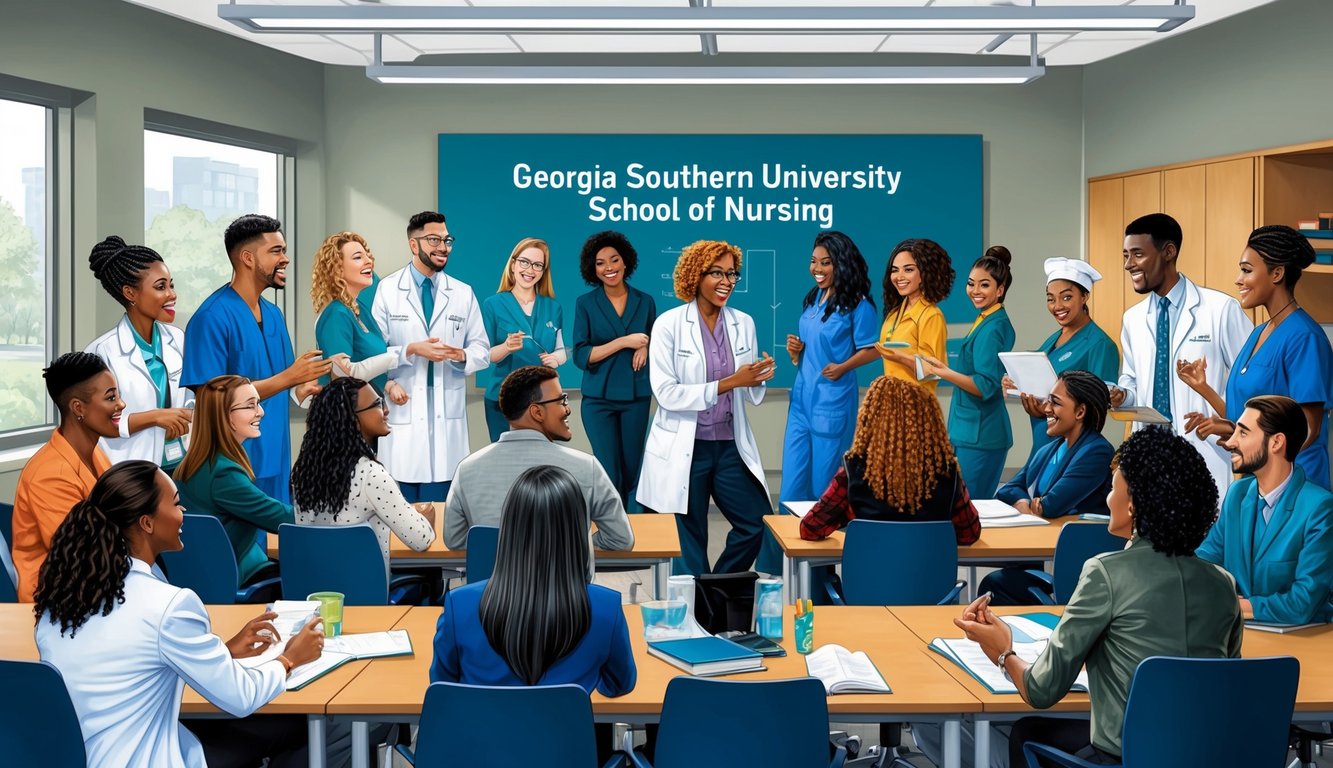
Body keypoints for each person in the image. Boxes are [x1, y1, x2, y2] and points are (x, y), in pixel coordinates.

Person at [952, 427, 1241, 766]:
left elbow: (1041, 690)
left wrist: (1003, 650)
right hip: (1207, 754)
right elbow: (1226, 681)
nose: (1107, 498)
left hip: (1126, 754)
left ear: (1133, 503)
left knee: (1025, 731)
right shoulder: (1222, 584)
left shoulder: (1105, 573)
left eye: (1113, 487)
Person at [33, 460, 326, 768]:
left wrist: (222, 652)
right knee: (297, 726)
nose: (183, 512)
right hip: (147, 759)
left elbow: (128, 667)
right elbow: (241, 698)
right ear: (147, 523)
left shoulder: (61, 603)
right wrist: (290, 658)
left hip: (84, 758)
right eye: (175, 504)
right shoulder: (170, 605)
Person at [431, 465, 635, 761]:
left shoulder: (458, 604)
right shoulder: (606, 607)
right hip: (566, 757)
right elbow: (620, 685)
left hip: (479, 757)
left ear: (509, 528)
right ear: (578, 531)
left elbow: (443, 687)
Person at [637, 240, 775, 577]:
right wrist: (732, 381)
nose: (727, 281)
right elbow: (667, 393)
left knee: (756, 524)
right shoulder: (668, 324)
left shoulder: (744, 322)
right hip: (686, 445)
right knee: (690, 540)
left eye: (732, 274)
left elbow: (749, 390)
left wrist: (758, 378)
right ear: (695, 276)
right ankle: (701, 611)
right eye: (717, 273)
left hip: (729, 445)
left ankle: (717, 586)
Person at [182, 214, 330, 504]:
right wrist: (290, 377)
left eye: (284, 250)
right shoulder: (210, 318)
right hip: (233, 465)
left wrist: (302, 389)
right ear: (248, 258)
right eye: (276, 251)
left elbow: (282, 381)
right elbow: (211, 399)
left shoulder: (274, 315)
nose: (285, 259)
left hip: (276, 459)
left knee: (277, 544)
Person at [1180, 225, 1333, 490]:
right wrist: (1221, 417)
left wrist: (1248, 446)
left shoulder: (1304, 337)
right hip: (1259, 485)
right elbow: (1250, 416)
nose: (1239, 279)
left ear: (1277, 273)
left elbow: (1307, 429)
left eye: (1247, 270)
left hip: (1295, 488)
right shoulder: (1259, 333)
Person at [1110, 213, 1252, 499]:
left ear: (1169, 252)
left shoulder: (1220, 309)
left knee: (1203, 538)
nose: (1129, 265)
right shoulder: (1133, 319)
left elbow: (1251, 387)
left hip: (1203, 450)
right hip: (1149, 454)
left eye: (1137, 254)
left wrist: (1229, 425)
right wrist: (1122, 395)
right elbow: (1132, 382)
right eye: (1126, 255)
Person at [445, 366, 632, 572]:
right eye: (561, 401)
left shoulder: (467, 470)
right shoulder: (587, 467)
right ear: (537, 412)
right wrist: (577, 546)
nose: (567, 409)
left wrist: (503, 552)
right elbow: (620, 538)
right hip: (568, 601)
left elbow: (455, 540)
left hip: (492, 600)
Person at [370, 211, 489, 503]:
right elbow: (372, 352)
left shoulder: (462, 293)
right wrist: (410, 351)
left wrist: (460, 355)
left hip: (448, 422)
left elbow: (482, 350)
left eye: (447, 240)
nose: (443, 247)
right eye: (434, 239)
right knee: (399, 514)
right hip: (402, 416)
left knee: (443, 516)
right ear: (414, 244)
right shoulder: (388, 290)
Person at [980, 370, 1115, 604]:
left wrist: (1037, 504)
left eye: (1055, 403)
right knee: (997, 582)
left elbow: (1051, 505)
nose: (1046, 409)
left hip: (1079, 568)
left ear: (1080, 411)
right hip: (1045, 549)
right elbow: (1006, 490)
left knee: (997, 584)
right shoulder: (1050, 449)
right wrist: (1027, 504)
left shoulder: (1097, 451)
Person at [1195, 395, 1333, 625]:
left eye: (1243, 433)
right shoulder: (1237, 495)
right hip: (1238, 636)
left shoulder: (1319, 508)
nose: (1230, 442)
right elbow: (1203, 564)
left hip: (1301, 644)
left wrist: (1233, 606)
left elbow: (1303, 602)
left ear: (1276, 442)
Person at [799, 376, 980, 544]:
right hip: (930, 577)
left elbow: (810, 528)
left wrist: (847, 515)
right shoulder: (945, 470)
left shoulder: (854, 470)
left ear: (870, 420)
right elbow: (969, 534)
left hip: (868, 577)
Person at [11, 352, 124, 602]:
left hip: (102, 583)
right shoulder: (50, 476)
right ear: (78, 408)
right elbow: (83, 555)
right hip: (61, 599)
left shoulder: (96, 456)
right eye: (111, 397)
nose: (121, 405)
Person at [291, 377, 436, 565]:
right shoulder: (372, 476)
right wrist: (426, 518)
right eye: (377, 404)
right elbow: (421, 539)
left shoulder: (305, 472)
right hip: (364, 592)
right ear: (353, 419)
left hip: (313, 591)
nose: (386, 410)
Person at [781, 230, 879, 505]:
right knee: (791, 489)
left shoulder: (858, 305)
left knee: (823, 490)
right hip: (801, 404)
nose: (817, 269)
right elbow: (814, 347)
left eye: (826, 262)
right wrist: (795, 351)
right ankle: (788, 547)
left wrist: (843, 367)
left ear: (842, 263)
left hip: (831, 403)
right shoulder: (814, 298)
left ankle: (824, 546)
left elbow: (872, 349)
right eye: (814, 261)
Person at [174, 375, 294, 596]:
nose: (261, 412)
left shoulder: (195, 464)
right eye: (250, 406)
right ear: (224, 416)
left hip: (215, 573)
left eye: (258, 403)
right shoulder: (223, 473)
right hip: (239, 578)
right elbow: (282, 518)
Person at [84, 236, 194, 467]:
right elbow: (96, 420)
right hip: (131, 469)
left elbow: (191, 399)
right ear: (130, 293)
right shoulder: (102, 352)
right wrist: (156, 417)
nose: (172, 295)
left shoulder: (177, 339)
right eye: (160, 287)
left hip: (181, 463)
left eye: (171, 285)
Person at [571, 230, 657, 512]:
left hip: (636, 397)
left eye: (614, 260)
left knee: (634, 471)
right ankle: (611, 534)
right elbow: (582, 356)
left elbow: (655, 340)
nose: (608, 268)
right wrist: (624, 342)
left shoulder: (645, 301)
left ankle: (637, 537)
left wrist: (645, 346)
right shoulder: (585, 303)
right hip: (599, 399)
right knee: (609, 472)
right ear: (592, 269)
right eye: (600, 263)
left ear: (625, 262)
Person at [922, 246, 1017, 498]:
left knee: (972, 509)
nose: (975, 291)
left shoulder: (993, 328)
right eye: (971, 284)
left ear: (1000, 290)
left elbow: (985, 385)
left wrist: (943, 371)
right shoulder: (985, 318)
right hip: (970, 430)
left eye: (984, 285)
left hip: (981, 434)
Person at [1007, 258, 1119, 452]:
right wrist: (1014, 383)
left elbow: (1098, 407)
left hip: (1071, 449)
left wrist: (1046, 409)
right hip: (1043, 444)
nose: (1057, 306)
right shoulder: (1054, 339)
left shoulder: (1100, 344)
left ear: (1084, 296)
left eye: (1066, 297)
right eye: (1051, 299)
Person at [311, 230, 443, 395]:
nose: (369, 262)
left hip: (370, 410)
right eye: (358, 257)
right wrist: (410, 350)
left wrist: (388, 385)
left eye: (368, 256)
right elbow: (344, 374)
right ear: (337, 269)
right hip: (344, 416)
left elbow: (367, 360)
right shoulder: (336, 315)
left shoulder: (359, 309)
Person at [481, 237, 567, 441]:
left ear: (543, 271)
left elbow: (561, 350)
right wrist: (506, 347)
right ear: (513, 264)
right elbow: (485, 355)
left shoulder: (553, 308)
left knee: (540, 466)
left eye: (538, 265)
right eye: (524, 262)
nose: (530, 270)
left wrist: (557, 359)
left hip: (543, 401)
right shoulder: (493, 304)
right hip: (502, 399)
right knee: (506, 463)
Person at [875, 238, 953, 392]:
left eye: (908, 269)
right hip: (893, 404)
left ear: (925, 272)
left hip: (917, 406)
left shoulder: (931, 315)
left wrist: (900, 357)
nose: (899, 276)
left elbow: (934, 372)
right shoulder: (894, 313)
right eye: (895, 270)